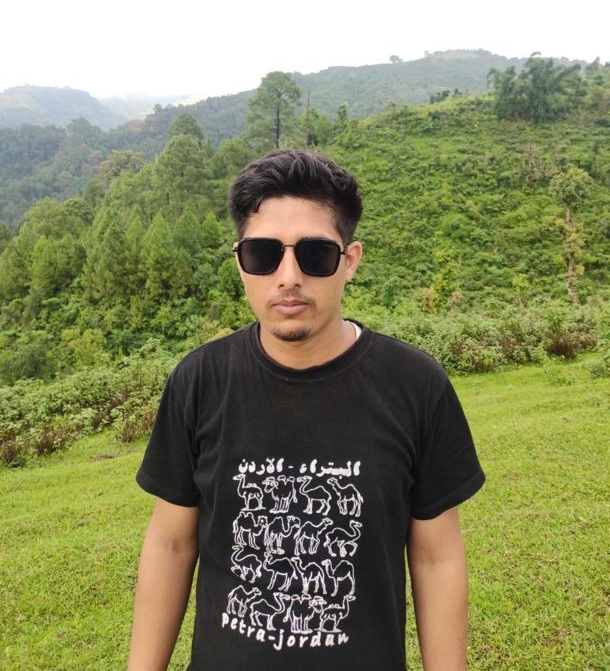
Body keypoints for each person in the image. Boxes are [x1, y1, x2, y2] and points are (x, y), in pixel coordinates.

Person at [128, 148, 485, 671]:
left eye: (315, 254)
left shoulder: (415, 386)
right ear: (240, 262)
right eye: (263, 254)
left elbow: (437, 556)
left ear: (350, 260)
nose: (289, 276)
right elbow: (171, 545)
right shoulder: (200, 380)